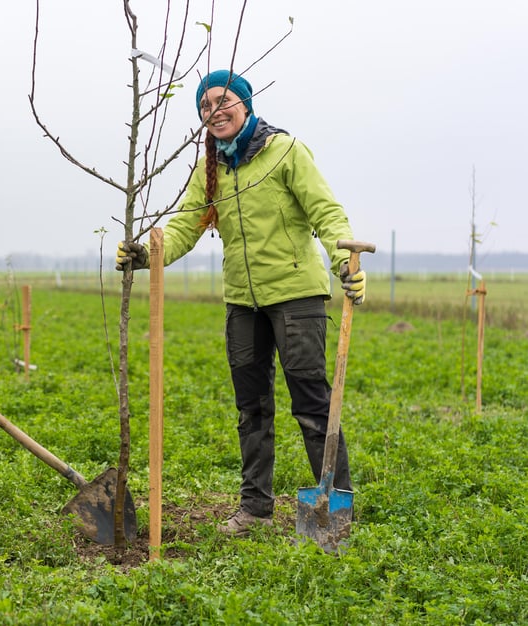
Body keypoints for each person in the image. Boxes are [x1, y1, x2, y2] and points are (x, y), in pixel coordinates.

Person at [116, 71, 366, 536]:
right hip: (242, 303)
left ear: (246, 104)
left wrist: (344, 259)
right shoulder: (209, 168)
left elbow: (325, 211)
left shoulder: (285, 152)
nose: (215, 111)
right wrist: (146, 254)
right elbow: (185, 227)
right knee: (251, 407)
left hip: (296, 297)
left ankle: (336, 505)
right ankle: (255, 508)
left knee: (311, 403)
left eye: (223, 100)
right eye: (205, 106)